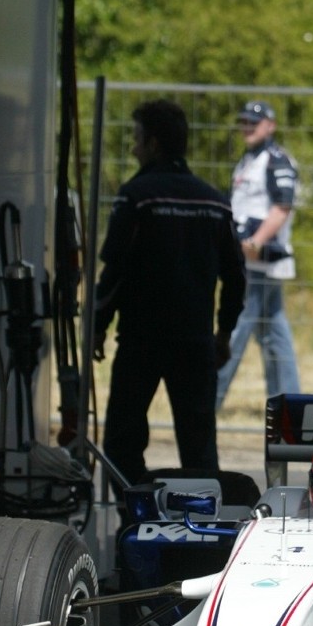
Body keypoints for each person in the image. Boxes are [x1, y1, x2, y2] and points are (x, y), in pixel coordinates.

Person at [93, 99, 245, 488]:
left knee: (122, 441)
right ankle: (202, 529)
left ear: (155, 144)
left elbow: (115, 272)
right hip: (195, 343)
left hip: (140, 341)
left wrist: (96, 326)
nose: (133, 148)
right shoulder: (214, 202)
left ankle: (137, 517)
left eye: (137, 139)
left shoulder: (137, 196)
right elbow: (236, 276)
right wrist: (224, 333)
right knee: (198, 447)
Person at [215, 99, 301, 410]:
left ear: (271, 125)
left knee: (235, 333)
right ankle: (289, 405)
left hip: (260, 262)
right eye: (244, 122)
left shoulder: (277, 160)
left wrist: (252, 244)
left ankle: (209, 402)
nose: (248, 127)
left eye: (255, 121)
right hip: (249, 260)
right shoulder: (248, 160)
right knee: (275, 335)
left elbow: (282, 208)